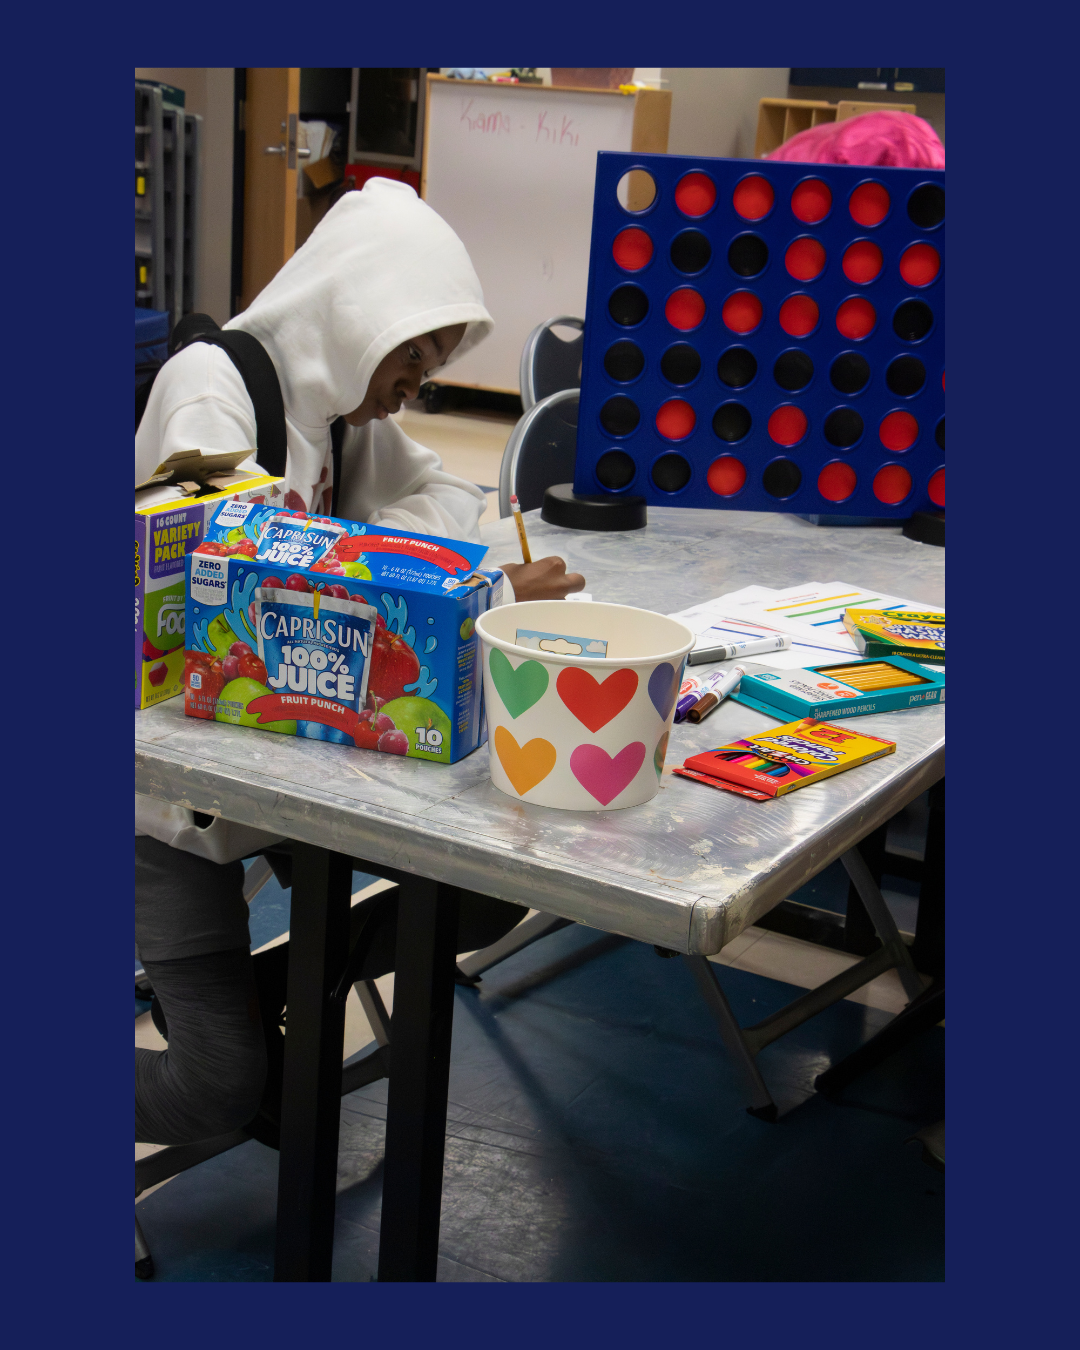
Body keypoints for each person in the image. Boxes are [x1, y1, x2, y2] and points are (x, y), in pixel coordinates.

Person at [136, 179, 584, 1146]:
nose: (411, 388)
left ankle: (283, 978)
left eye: (429, 366)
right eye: (410, 355)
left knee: (484, 891)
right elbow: (241, 609)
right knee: (216, 1090)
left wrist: (397, 562)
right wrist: (462, 591)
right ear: (356, 310)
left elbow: (447, 498)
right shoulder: (214, 389)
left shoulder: (339, 413)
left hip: (280, 763)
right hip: (163, 792)